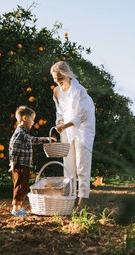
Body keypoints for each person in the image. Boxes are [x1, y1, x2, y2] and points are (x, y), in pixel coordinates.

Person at [50, 61, 96, 211]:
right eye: (54, 78)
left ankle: (82, 202)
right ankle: (69, 199)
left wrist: (66, 125)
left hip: (83, 130)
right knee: (68, 167)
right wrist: (59, 123)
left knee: (82, 165)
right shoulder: (56, 91)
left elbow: (82, 115)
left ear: (66, 74)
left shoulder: (78, 89)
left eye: (59, 77)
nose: (57, 81)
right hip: (67, 131)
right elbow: (59, 111)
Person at [8, 106, 55, 216]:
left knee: (23, 186)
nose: (33, 122)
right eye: (32, 119)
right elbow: (14, 147)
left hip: (25, 164)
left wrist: (46, 139)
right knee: (20, 186)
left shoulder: (24, 133)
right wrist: (13, 162)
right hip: (20, 164)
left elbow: (33, 140)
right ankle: (15, 209)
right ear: (25, 118)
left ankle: (18, 207)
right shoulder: (20, 132)